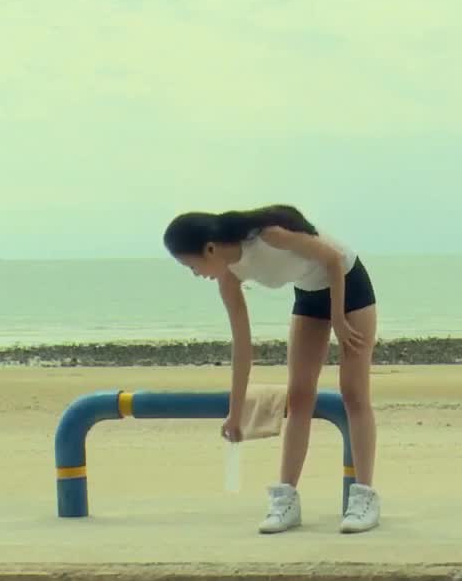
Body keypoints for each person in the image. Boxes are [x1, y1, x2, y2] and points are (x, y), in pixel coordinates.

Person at [162, 204, 380, 535]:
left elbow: (333, 259)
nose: (195, 274)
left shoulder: (269, 236)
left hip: (348, 284)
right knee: (299, 396)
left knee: (353, 392)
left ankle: (364, 498)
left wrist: (337, 317)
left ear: (210, 249)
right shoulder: (228, 279)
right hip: (309, 293)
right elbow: (242, 348)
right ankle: (287, 500)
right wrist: (236, 413)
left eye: (192, 266)